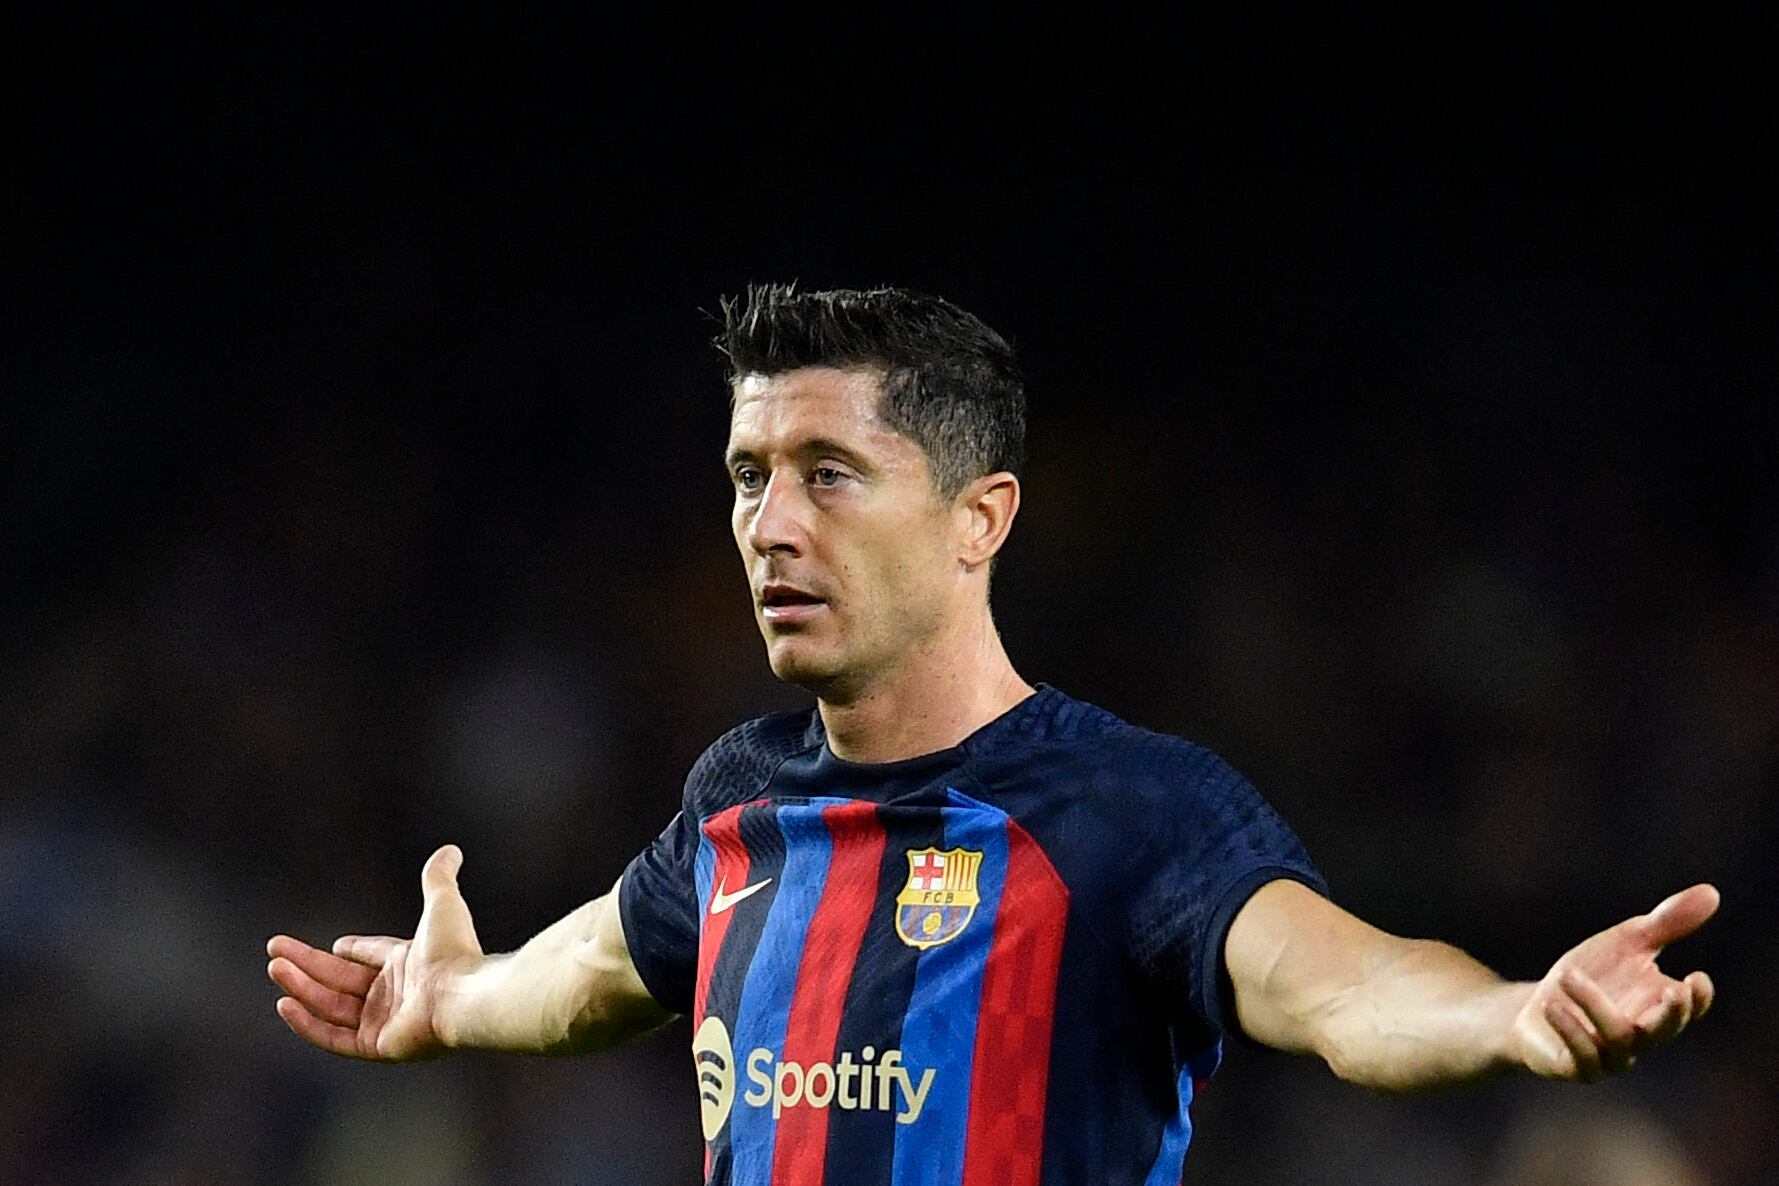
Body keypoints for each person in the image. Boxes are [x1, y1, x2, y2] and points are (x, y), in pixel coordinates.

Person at [267, 285, 1719, 1185]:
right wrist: (457, 998)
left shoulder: (1126, 810)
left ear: (982, 517)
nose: (770, 525)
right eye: (748, 475)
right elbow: (594, 970)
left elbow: (1345, 990)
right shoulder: (738, 804)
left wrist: (1511, 1012)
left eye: (830, 473)